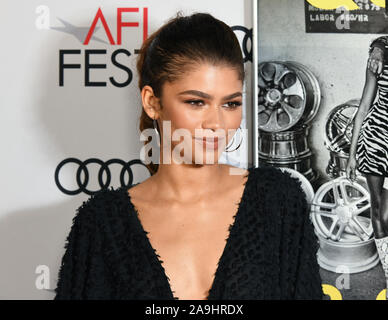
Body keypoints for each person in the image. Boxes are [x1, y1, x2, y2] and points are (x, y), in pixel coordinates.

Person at [54, 12, 322, 300]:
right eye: (196, 102)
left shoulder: (278, 200)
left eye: (231, 104)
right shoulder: (102, 223)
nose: (216, 123)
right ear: (152, 102)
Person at [346, 36, 388, 299]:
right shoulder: (379, 55)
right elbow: (363, 108)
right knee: (378, 212)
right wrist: (352, 155)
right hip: (375, 138)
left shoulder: (380, 47)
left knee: (386, 213)